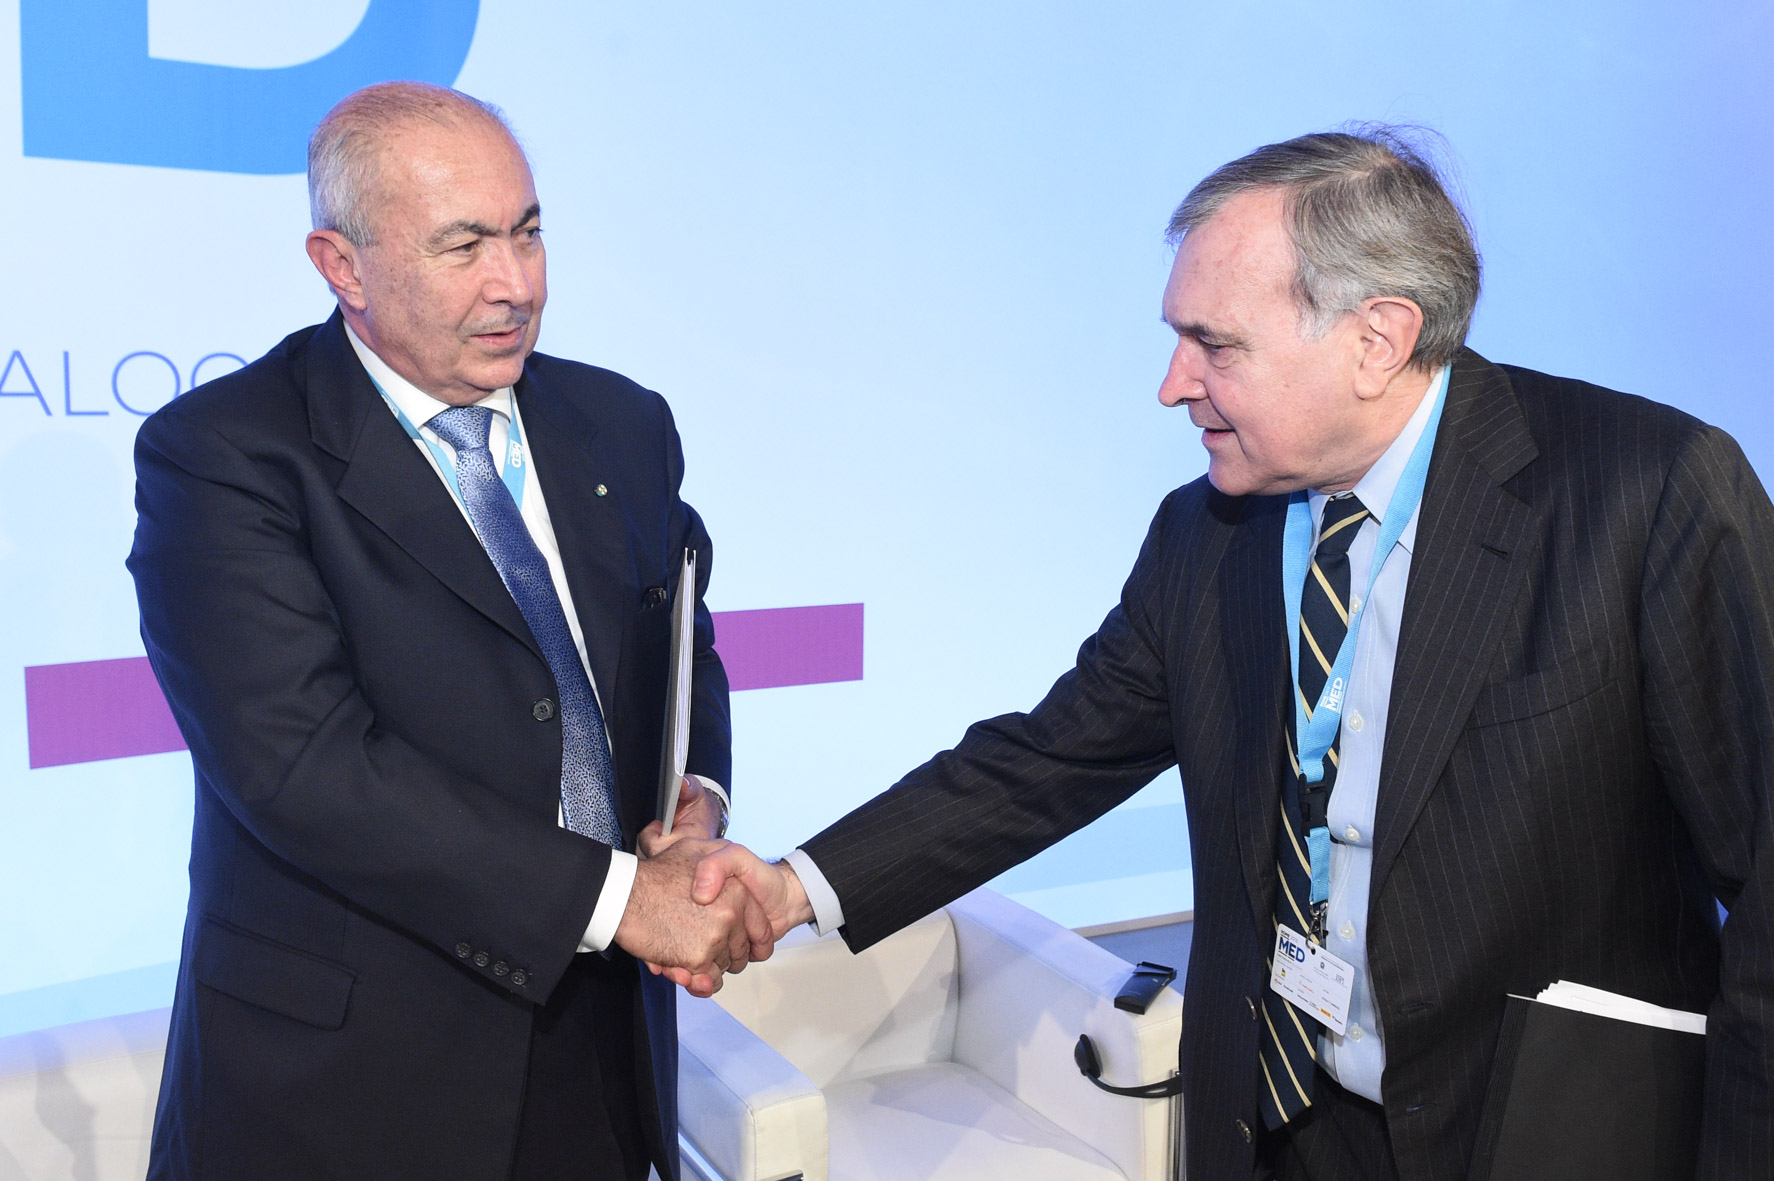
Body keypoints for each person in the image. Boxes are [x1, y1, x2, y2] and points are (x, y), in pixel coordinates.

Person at [677, 128, 1774, 1180]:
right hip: (1283, 1126)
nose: (1173, 382)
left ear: (1376, 339)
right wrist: (788, 888)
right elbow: (1045, 760)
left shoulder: (1643, 496)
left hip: (1542, 1137)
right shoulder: (1206, 534)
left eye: (1216, 344)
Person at [127, 82, 766, 1181]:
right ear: (342, 265)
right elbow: (303, 768)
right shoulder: (223, 456)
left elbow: (680, 637)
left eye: (527, 232)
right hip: (350, 1088)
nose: (515, 283)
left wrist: (692, 796)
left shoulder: (622, 421)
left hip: (603, 1052)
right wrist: (623, 900)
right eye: (464, 246)